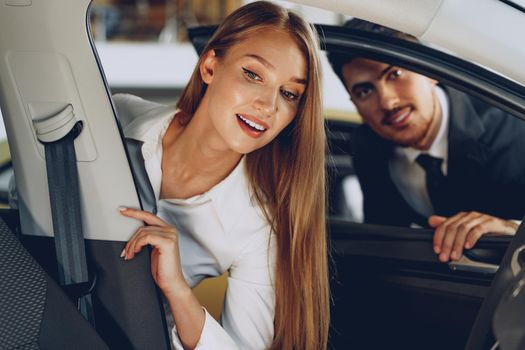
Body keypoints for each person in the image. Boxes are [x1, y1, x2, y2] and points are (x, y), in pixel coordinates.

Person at [116, 2, 329, 350]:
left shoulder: (258, 228)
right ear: (211, 66)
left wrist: (177, 290)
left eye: (289, 94)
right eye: (253, 74)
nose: (268, 106)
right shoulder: (119, 117)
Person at [328, 19, 525, 263]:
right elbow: (383, 235)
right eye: (364, 91)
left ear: (430, 73)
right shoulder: (367, 144)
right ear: (354, 102)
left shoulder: (512, 127)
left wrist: (514, 231)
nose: (388, 102)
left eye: (395, 74)